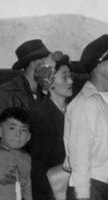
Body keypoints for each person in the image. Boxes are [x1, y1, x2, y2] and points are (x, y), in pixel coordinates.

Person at [64, 34, 108, 200]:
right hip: (89, 185)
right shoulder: (85, 104)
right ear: (99, 67)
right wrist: (83, 196)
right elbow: (79, 157)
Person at [0, 39, 54, 147]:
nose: (52, 68)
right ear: (35, 63)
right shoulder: (3, 93)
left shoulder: (48, 93)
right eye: (48, 63)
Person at [28, 51, 73, 199]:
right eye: (64, 76)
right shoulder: (39, 118)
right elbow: (39, 170)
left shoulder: (74, 112)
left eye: (70, 75)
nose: (71, 81)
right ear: (48, 83)